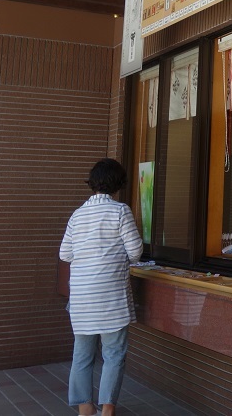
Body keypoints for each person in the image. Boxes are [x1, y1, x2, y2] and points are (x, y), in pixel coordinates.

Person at [59, 158, 143, 416]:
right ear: (118, 184)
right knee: (114, 354)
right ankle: (107, 411)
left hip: (82, 299)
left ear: (93, 183)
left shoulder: (78, 214)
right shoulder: (120, 211)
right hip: (111, 299)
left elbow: (65, 253)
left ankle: (85, 409)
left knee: (82, 356)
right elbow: (136, 251)